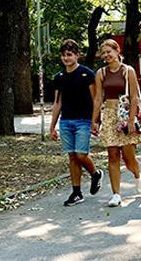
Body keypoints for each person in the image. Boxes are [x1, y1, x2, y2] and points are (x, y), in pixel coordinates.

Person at [50, 39, 104, 207]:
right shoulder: (59, 77)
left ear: (77, 55)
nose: (66, 58)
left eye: (69, 54)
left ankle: (95, 174)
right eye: (64, 55)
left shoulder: (87, 74)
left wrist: (96, 120)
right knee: (72, 157)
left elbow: (96, 99)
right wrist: (52, 127)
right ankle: (76, 192)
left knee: (81, 154)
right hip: (66, 121)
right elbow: (57, 103)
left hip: (83, 121)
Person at [92, 39, 141, 208]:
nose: (106, 55)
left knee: (129, 158)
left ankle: (136, 174)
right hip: (108, 115)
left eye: (109, 52)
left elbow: (134, 97)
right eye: (103, 53)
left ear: (117, 51)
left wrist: (131, 120)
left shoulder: (128, 71)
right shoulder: (101, 73)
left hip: (124, 115)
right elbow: (98, 98)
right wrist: (94, 120)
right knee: (112, 155)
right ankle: (116, 194)